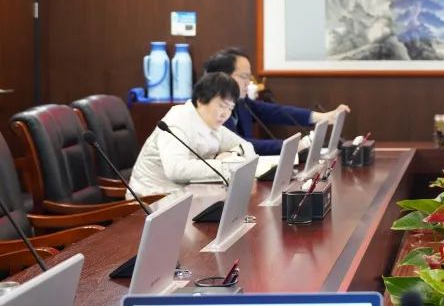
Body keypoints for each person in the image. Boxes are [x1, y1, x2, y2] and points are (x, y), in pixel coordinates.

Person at [128, 72, 257, 196]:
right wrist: (225, 165)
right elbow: (176, 169)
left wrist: (232, 154)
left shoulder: (212, 124)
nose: (225, 114)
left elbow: (247, 147)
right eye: (222, 106)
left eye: (230, 108)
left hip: (185, 194)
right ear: (201, 99)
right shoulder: (178, 121)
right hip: (151, 197)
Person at [204, 47, 350, 155]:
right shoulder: (211, 109)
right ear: (222, 77)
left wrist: (322, 117)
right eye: (244, 77)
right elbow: (237, 144)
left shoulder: (241, 102)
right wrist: (290, 146)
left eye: (249, 77)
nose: (248, 82)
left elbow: (273, 112)